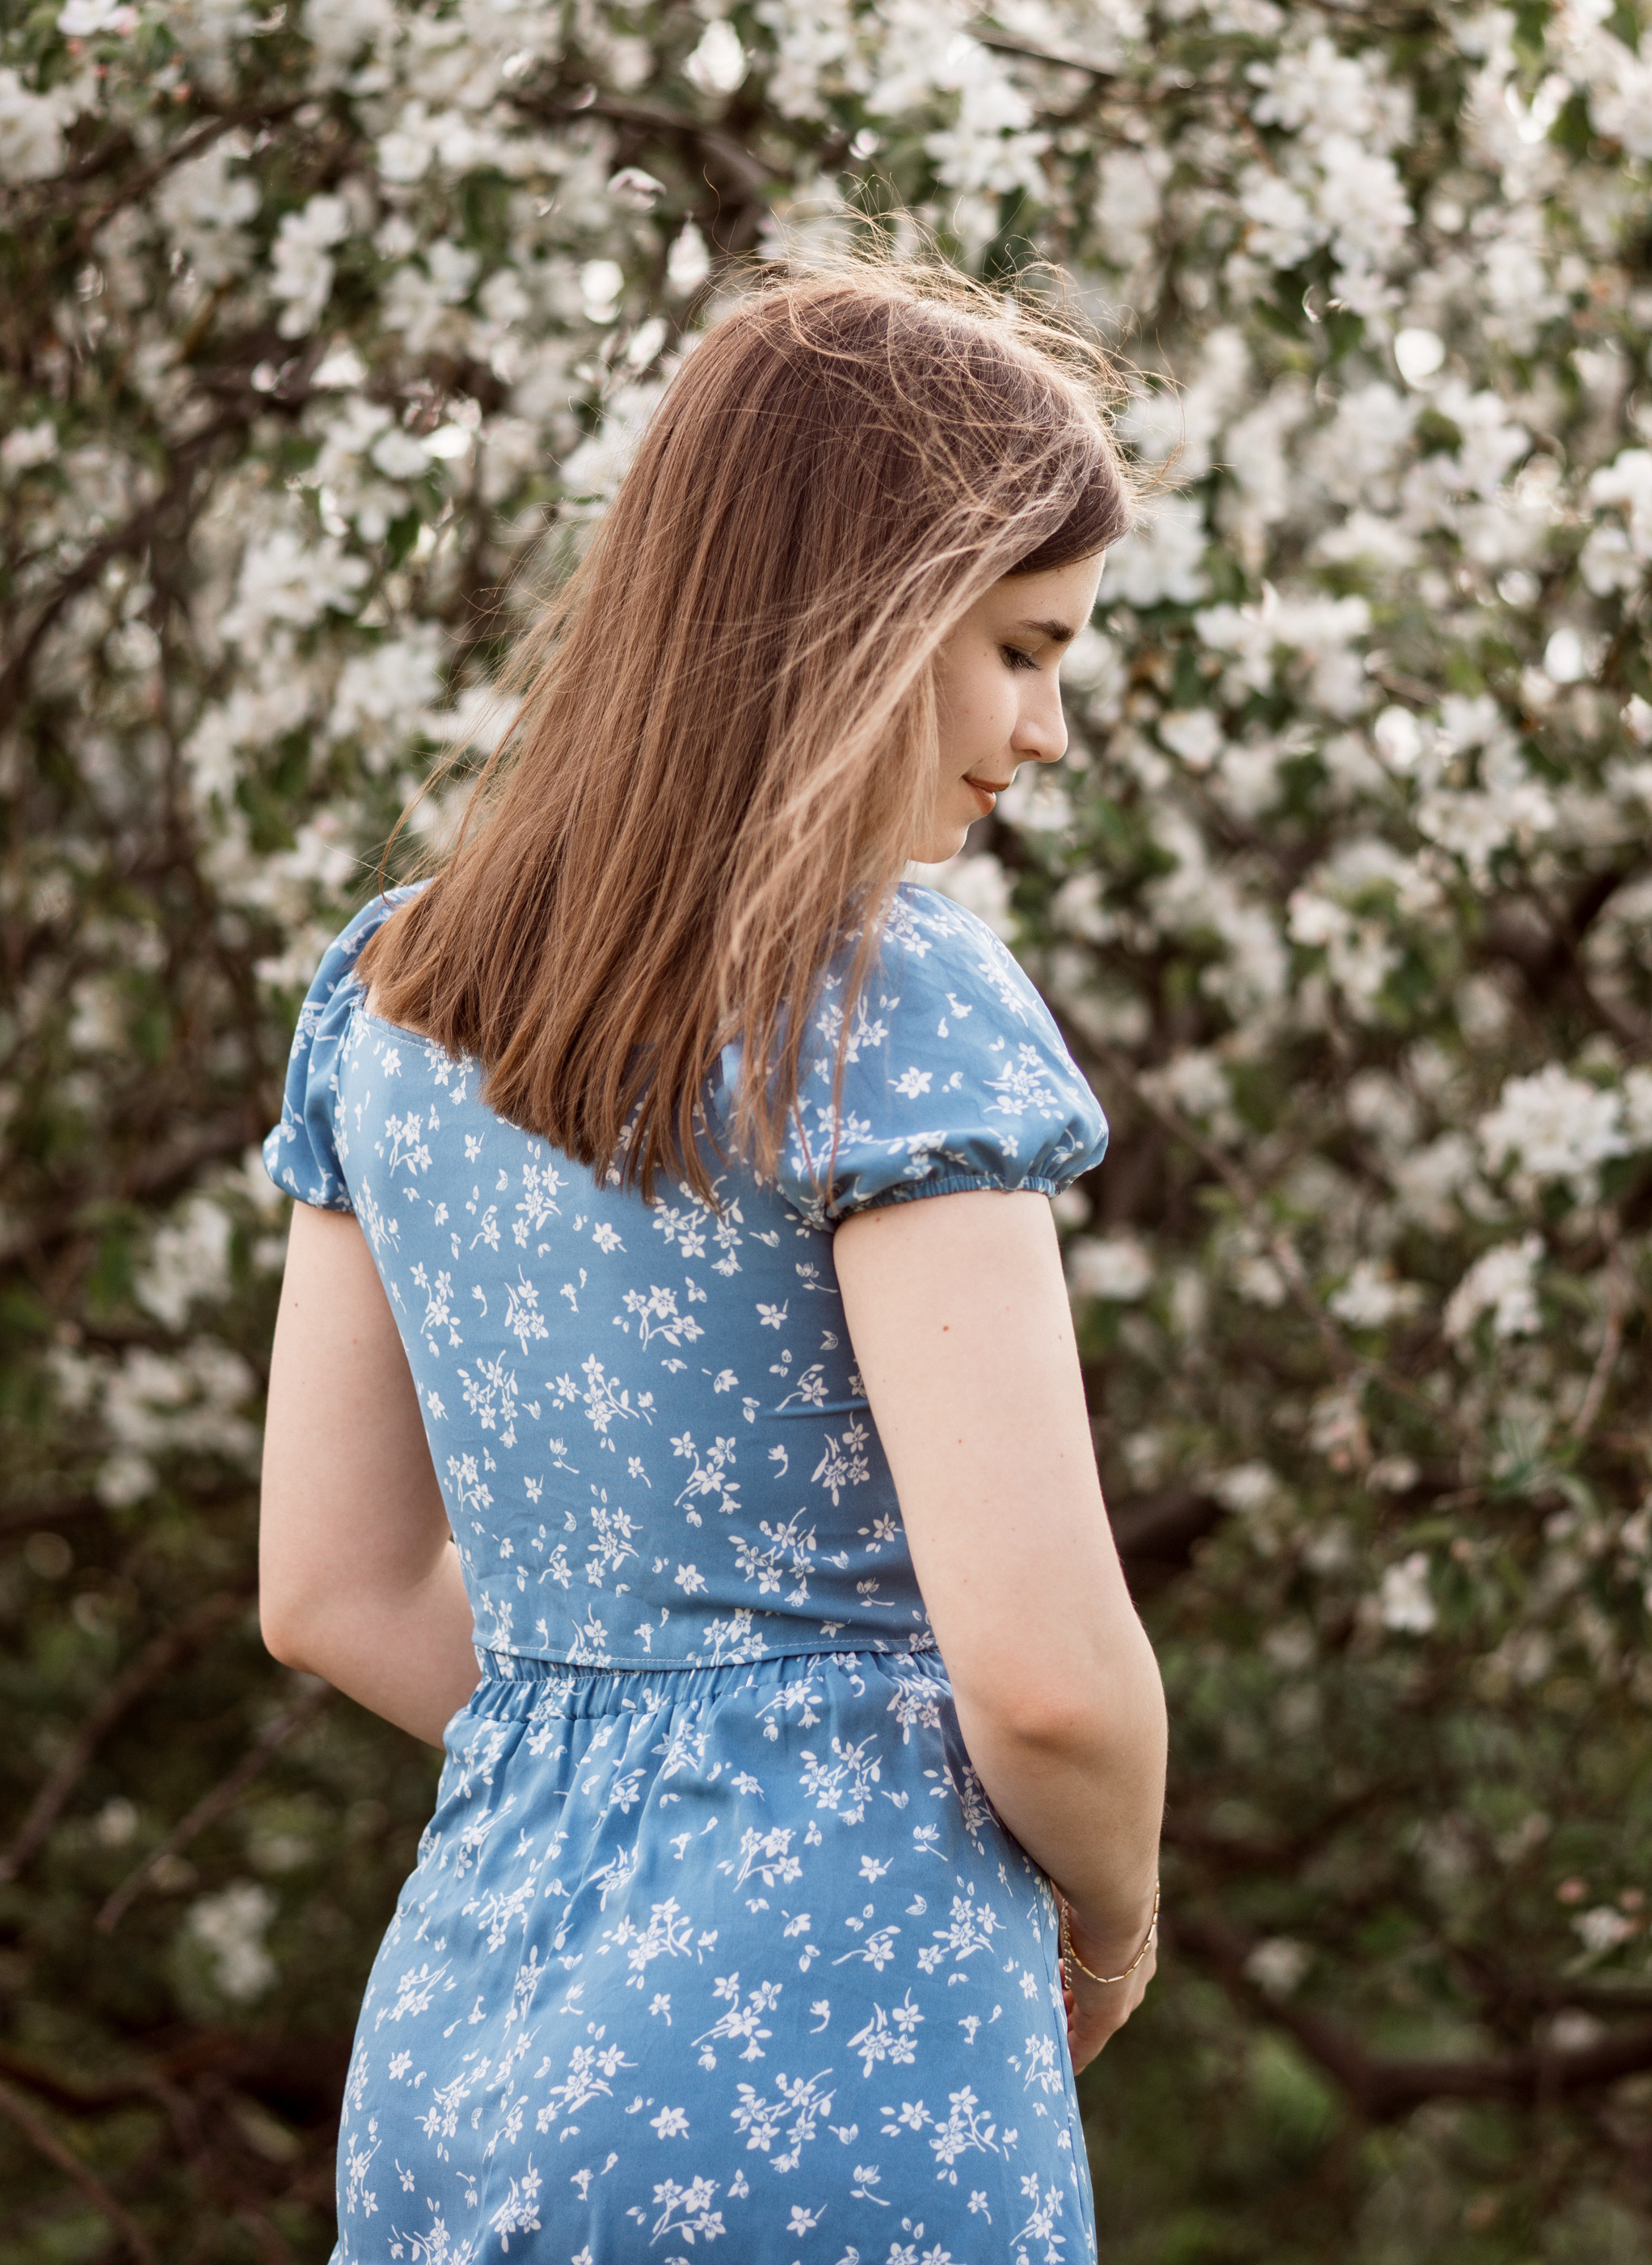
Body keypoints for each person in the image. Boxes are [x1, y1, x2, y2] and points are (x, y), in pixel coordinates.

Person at [258, 267, 1169, 2265]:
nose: (1049, 727)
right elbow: (1047, 1682)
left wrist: (639, 1739)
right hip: (844, 2071)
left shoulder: (395, 992)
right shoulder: (891, 1001)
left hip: (464, 2053)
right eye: (1021, 649)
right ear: (872, 614)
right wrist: (1109, 1917)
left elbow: (325, 1589)